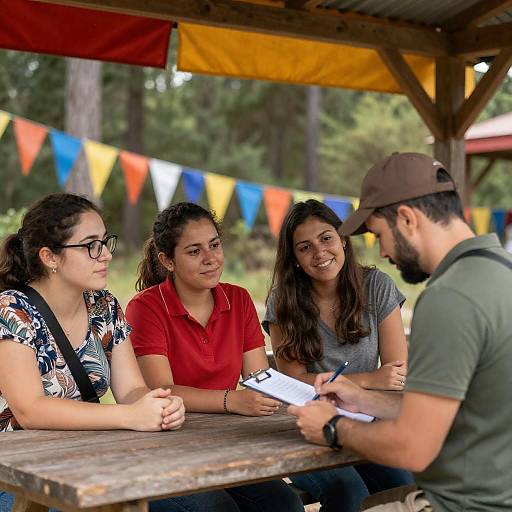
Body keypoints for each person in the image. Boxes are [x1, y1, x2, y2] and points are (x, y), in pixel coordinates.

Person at [289, 152, 512, 511]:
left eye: (379, 234)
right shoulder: (501, 270)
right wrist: (361, 398)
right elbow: (453, 407)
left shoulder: (449, 297)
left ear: (407, 219)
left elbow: (413, 446)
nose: (383, 251)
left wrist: (333, 427)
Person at [0, 193, 185, 512]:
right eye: (90, 245)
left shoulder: (104, 306)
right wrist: (130, 416)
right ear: (50, 257)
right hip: (18, 475)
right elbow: (31, 411)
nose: (106, 256)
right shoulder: (12, 311)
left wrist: (157, 405)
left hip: (84, 461)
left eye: (104, 242)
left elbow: (130, 389)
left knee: (209, 502)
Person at [125, 202, 304, 512]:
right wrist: (233, 401)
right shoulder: (146, 307)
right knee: (218, 509)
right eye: (194, 251)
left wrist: (307, 392)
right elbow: (162, 392)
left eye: (215, 245)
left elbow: (259, 378)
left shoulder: (238, 298)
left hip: (226, 441)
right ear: (167, 260)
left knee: (283, 503)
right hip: (166, 446)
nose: (210, 259)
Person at [263, 199, 412, 512]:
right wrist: (369, 379)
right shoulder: (284, 300)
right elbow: (293, 381)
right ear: (294, 259)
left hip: (368, 420)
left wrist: (364, 387)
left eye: (326, 238)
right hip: (308, 427)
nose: (319, 253)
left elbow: (396, 376)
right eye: (305, 247)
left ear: (343, 239)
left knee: (404, 484)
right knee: (348, 490)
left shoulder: (377, 287)